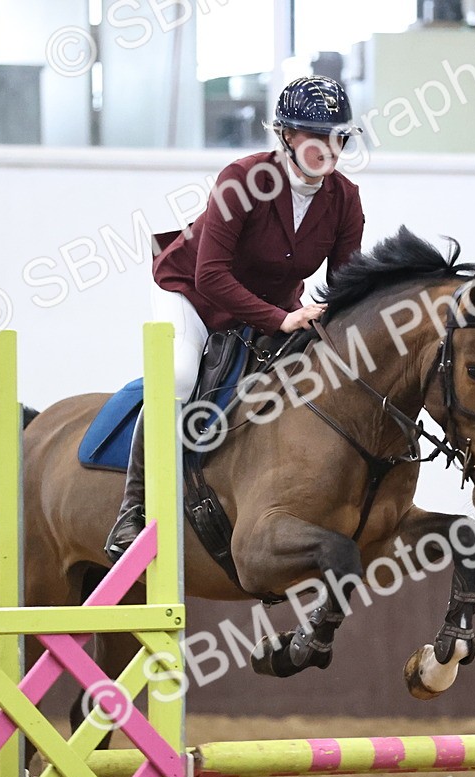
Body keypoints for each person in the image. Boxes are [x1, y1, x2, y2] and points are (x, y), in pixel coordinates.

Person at [105, 75, 366, 562]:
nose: (329, 150)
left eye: (339, 139)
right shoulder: (241, 180)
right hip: (193, 294)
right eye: (317, 137)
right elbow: (210, 274)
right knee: (180, 377)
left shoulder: (345, 199)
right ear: (287, 136)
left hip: (277, 308)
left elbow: (344, 287)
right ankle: (133, 509)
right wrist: (280, 319)